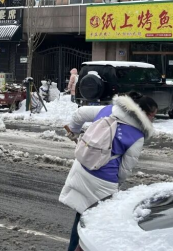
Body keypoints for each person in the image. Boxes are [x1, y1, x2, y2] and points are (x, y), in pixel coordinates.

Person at [60, 92, 157, 251]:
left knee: (82, 214)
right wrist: (117, 183)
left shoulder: (108, 110)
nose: (153, 118)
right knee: (96, 225)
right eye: (152, 114)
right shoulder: (137, 135)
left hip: (81, 167)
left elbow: (79, 114)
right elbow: (125, 169)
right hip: (104, 181)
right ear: (143, 112)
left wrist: (74, 132)